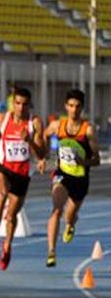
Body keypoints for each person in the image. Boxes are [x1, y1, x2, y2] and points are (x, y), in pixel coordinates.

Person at [0, 86, 45, 269]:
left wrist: (30, 141)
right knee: (0, 196)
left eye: (24, 104)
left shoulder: (35, 123)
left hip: (21, 175)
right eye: (17, 103)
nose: (20, 108)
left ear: (29, 105)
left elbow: (41, 153)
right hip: (3, 167)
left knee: (11, 216)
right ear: (13, 103)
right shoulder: (4, 118)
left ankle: (7, 246)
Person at [42, 88, 100, 267]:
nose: (74, 110)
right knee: (56, 210)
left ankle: (71, 224)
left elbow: (96, 160)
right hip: (62, 175)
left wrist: (82, 161)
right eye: (71, 106)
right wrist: (43, 157)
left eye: (77, 106)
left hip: (80, 178)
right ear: (66, 106)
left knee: (69, 215)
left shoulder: (87, 130)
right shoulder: (57, 126)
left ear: (82, 108)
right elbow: (44, 135)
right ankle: (51, 251)